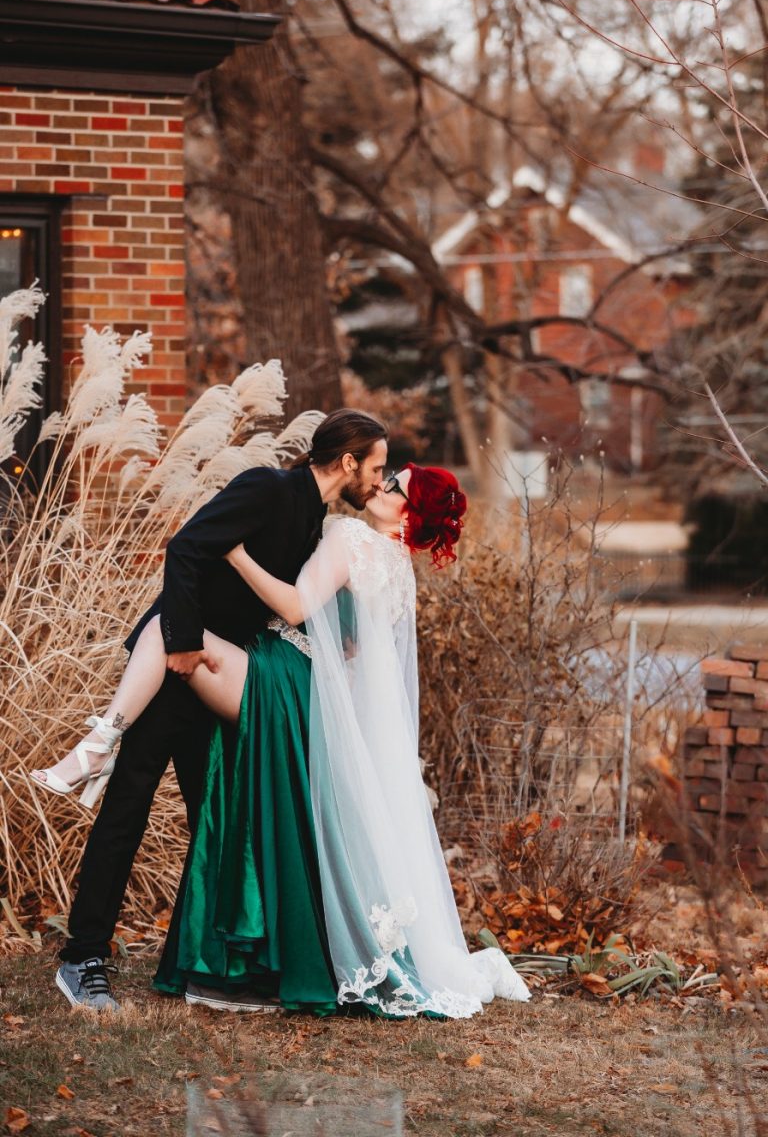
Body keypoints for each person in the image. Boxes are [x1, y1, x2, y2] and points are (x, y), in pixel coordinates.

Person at [30, 409, 388, 1011]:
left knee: (217, 823)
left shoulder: (316, 521)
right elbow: (187, 549)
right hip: (177, 666)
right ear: (347, 461)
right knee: (128, 808)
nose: (380, 481)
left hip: (225, 677)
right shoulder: (266, 488)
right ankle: (82, 959)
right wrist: (183, 643)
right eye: (376, 468)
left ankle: (221, 964)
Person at [153, 464, 531, 1016]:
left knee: (163, 630)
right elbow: (355, 647)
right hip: (331, 709)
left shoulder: (350, 536)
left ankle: (110, 731)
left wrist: (234, 554)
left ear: (410, 513)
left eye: (394, 486)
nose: (381, 486)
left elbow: (293, 607)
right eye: (386, 475)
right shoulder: (400, 570)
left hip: (288, 678)